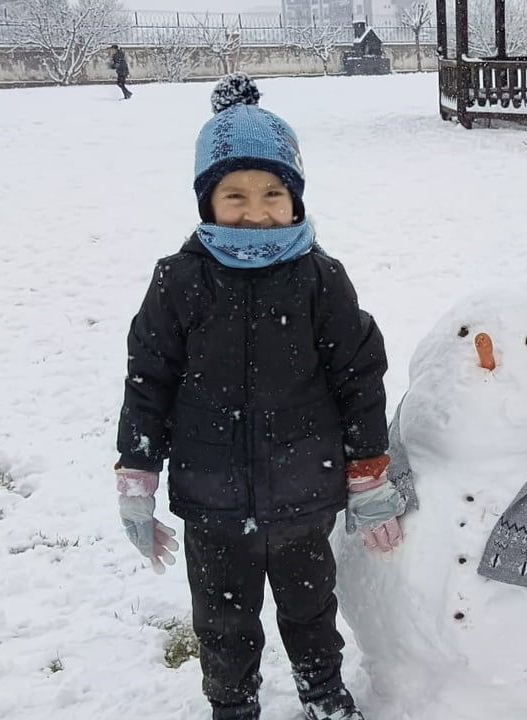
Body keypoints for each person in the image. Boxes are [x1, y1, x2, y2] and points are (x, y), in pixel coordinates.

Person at [113, 73, 405, 720]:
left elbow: (360, 378)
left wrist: (367, 472)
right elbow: (148, 380)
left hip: (305, 494)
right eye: (235, 194)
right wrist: (137, 476)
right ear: (206, 200)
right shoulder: (180, 282)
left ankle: (322, 692)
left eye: (273, 193)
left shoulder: (320, 280)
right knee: (222, 619)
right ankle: (232, 704)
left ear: (295, 199)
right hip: (213, 502)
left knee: (310, 609)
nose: (255, 210)